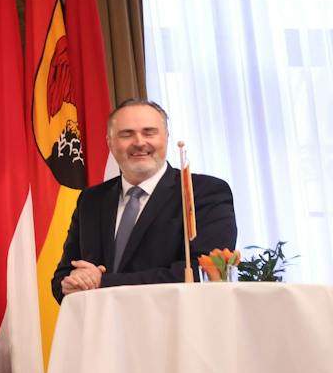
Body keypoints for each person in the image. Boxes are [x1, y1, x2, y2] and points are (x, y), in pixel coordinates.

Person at [52, 99, 236, 302]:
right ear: (110, 143)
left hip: (176, 328)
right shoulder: (91, 200)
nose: (139, 142)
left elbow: (203, 271)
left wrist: (103, 282)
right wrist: (73, 282)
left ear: (166, 138)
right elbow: (63, 276)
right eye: (126, 134)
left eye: (149, 132)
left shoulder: (202, 192)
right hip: (103, 329)